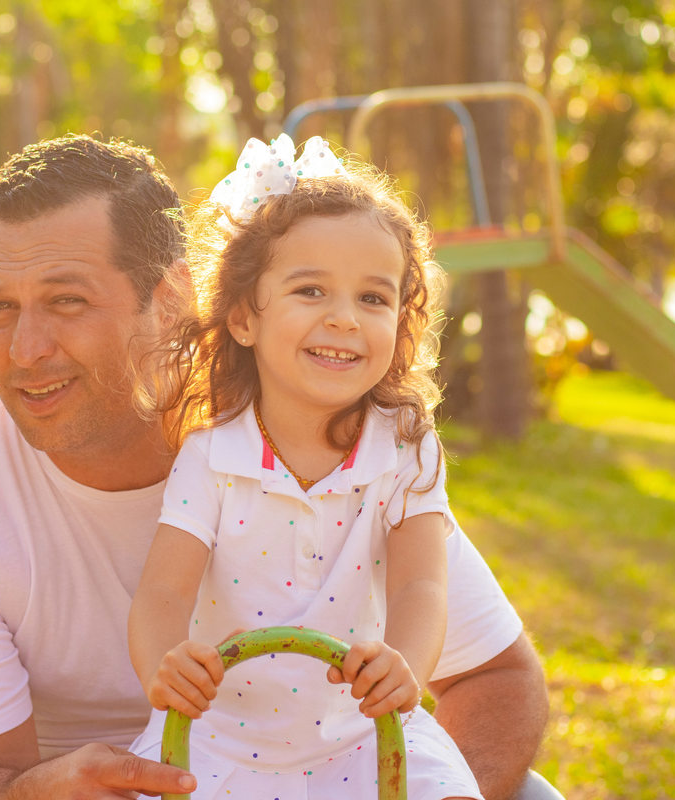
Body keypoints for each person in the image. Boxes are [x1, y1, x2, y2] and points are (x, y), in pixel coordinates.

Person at [0, 133, 558, 800]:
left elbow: (497, 678)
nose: (24, 349)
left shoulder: (314, 423)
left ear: (170, 297)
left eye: (67, 301)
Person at [126, 133, 481, 800]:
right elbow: (163, 594)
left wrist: (403, 664)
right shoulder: (213, 455)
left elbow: (421, 588)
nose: (345, 319)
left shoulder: (405, 444)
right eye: (311, 290)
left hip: (360, 733)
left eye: (373, 299)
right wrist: (164, 667)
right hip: (219, 736)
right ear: (241, 317)